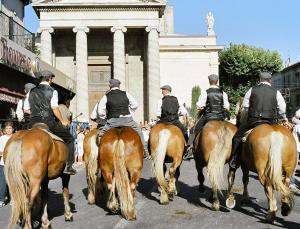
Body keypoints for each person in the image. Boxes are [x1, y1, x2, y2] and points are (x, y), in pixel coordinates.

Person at [229, 72, 288, 170]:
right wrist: (284, 118)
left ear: (259, 80)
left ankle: (235, 158)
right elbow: (282, 108)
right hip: (271, 121)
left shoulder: (252, 90)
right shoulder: (276, 92)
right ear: (270, 80)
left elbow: (246, 106)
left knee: (237, 136)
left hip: (254, 120)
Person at [23, 70, 76, 175]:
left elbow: (25, 109)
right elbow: (55, 108)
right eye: (52, 78)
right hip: (48, 122)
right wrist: (63, 121)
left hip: (32, 123)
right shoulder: (53, 91)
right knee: (70, 139)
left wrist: (35, 113)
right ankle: (68, 166)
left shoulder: (31, 91)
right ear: (49, 79)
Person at [96, 78, 149, 157]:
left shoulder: (106, 96)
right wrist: (130, 110)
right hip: (127, 120)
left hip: (112, 121)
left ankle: (100, 155)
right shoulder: (126, 93)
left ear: (110, 86)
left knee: (100, 135)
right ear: (119, 86)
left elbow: (100, 112)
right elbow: (135, 105)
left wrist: (104, 116)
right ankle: (145, 152)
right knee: (139, 133)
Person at [185, 74, 230, 159]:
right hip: (220, 117)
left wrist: (202, 107)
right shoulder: (223, 93)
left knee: (194, 129)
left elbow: (199, 106)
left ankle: (190, 149)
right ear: (217, 82)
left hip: (208, 116)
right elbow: (227, 107)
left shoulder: (206, 92)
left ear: (209, 81)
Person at [0, 122, 14, 207]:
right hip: (3, 163)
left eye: (10, 128)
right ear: (5, 130)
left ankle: (13, 199)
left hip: (14, 164)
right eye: (7, 128)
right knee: (3, 182)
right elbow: (1, 151)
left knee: (13, 182)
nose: (9, 130)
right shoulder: (2, 138)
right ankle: (1, 199)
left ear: (13, 129)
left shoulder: (16, 137)